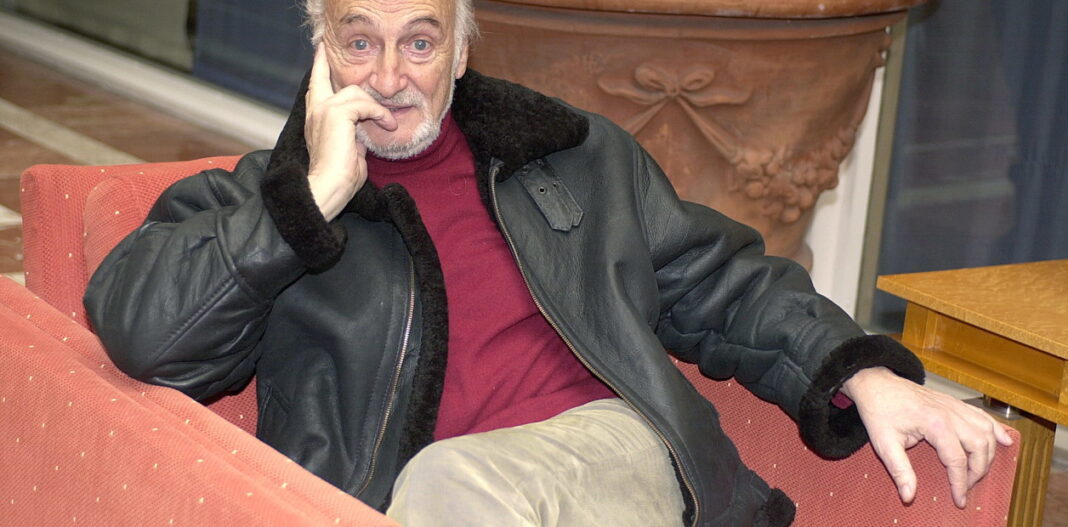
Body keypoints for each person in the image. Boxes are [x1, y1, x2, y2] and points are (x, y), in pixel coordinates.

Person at [84, 0, 1013, 525]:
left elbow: (726, 285)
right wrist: (308, 202)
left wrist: (859, 372)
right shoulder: (258, 204)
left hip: (604, 460)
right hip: (418, 504)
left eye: (419, 41)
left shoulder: (572, 156)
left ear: (460, 48)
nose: (389, 76)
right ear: (321, 50)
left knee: (449, 484)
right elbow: (142, 332)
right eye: (359, 41)